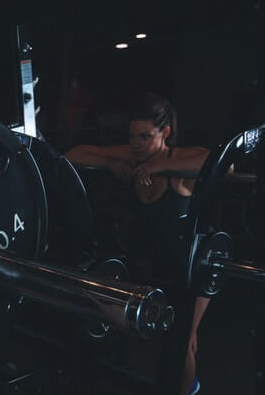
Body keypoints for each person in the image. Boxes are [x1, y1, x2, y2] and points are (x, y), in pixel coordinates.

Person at [65, 93, 209, 395]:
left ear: (164, 132)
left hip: (195, 265)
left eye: (145, 136)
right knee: (173, 336)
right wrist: (111, 162)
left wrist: (159, 167)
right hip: (158, 264)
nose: (137, 144)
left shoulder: (177, 161)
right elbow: (74, 154)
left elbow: (222, 164)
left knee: (182, 343)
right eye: (132, 137)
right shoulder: (133, 155)